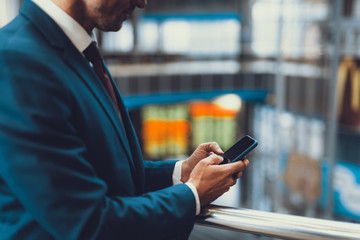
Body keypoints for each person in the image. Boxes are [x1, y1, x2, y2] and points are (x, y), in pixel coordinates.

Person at [0, 0, 250, 239]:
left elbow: (99, 170)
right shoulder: (16, 62)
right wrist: (192, 193)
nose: (142, 3)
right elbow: (87, 223)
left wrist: (180, 173)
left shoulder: (76, 51)